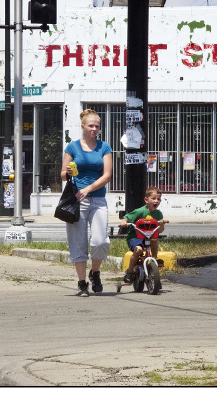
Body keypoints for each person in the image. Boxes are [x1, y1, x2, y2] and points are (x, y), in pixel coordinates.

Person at [61, 109, 113, 297]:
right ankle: (82, 283)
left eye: (97, 126)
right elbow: (61, 174)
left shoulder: (104, 147)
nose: (94, 129)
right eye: (90, 126)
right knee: (78, 243)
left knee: (101, 241)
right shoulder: (72, 147)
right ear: (82, 127)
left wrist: (88, 189)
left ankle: (95, 272)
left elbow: (107, 175)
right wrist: (68, 172)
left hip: (98, 199)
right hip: (76, 201)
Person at [118, 187, 169, 284]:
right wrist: (124, 222)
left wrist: (162, 223)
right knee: (139, 250)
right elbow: (127, 217)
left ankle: (154, 259)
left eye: (158, 199)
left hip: (149, 238)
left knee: (154, 239)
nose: (156, 201)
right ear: (146, 200)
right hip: (135, 238)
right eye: (153, 198)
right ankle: (129, 271)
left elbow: (160, 231)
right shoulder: (140, 211)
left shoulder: (158, 214)